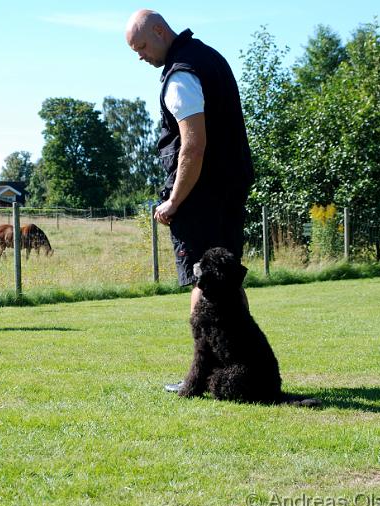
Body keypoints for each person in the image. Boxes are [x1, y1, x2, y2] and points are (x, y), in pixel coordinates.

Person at [125, 9, 255, 391]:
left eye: (143, 46)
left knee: (203, 280)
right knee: (228, 281)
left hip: (201, 195)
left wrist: (174, 201)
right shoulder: (210, 57)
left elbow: (192, 147)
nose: (141, 56)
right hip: (229, 187)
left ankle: (198, 380)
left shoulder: (181, 74)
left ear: (161, 33)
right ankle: (243, 367)